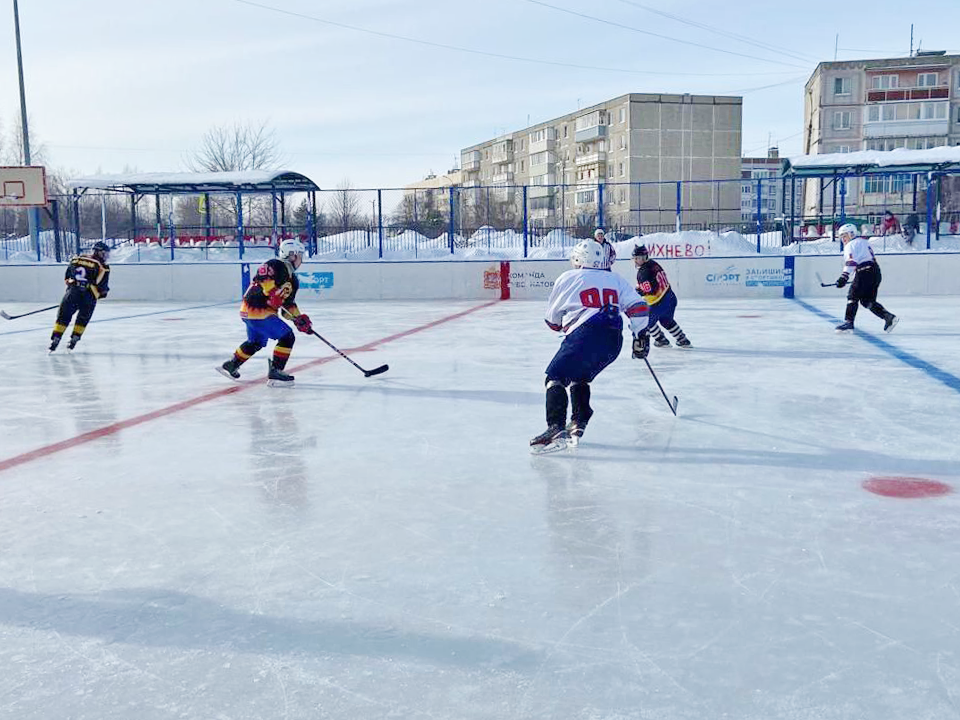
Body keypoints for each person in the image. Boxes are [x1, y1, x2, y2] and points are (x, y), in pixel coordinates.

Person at [530, 239, 650, 452]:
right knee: (579, 376)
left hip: (585, 334)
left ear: (578, 259)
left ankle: (556, 426)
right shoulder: (615, 279)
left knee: (555, 377)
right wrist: (640, 336)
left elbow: (552, 321)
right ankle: (579, 420)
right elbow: (640, 308)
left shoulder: (568, 277)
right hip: (614, 341)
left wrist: (563, 324)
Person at [217, 238, 313, 386]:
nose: (301, 260)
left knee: (256, 342)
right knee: (287, 337)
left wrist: (298, 319)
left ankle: (231, 365)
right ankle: (276, 372)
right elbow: (262, 277)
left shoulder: (293, 280)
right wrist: (273, 292)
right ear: (291, 254)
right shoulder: (276, 264)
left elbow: (288, 305)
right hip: (257, 309)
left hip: (253, 313)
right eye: (299, 255)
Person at [833, 223, 898, 333]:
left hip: (864, 272)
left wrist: (843, 277)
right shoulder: (863, 242)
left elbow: (851, 262)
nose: (843, 239)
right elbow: (862, 260)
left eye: (845, 236)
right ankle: (888, 317)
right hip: (875, 272)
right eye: (841, 237)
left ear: (851, 234)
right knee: (867, 301)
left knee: (852, 296)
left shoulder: (851, 245)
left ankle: (849, 322)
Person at [49, 241, 111, 352]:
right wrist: (102, 293)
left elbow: (67, 278)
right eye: (104, 253)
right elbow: (102, 287)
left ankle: (56, 338)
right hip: (89, 295)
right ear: (99, 252)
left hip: (73, 293)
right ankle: (74, 339)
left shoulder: (76, 259)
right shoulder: (103, 266)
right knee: (83, 317)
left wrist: (72, 290)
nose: (106, 256)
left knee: (64, 315)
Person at [632, 244, 691, 349]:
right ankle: (682, 339)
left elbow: (650, 290)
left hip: (658, 302)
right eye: (634, 258)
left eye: (638, 258)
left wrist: (639, 290)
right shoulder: (654, 263)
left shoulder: (642, 272)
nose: (635, 260)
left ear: (645, 257)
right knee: (666, 320)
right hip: (671, 298)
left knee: (646, 322)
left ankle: (661, 340)